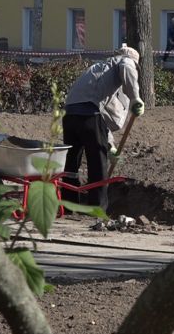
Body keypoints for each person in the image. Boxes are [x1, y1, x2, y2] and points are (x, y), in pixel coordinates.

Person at [62, 44, 145, 210]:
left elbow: (103, 117)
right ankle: (96, 208)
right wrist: (135, 98)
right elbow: (127, 66)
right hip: (89, 115)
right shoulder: (125, 62)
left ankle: (69, 204)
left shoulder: (100, 69)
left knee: (71, 163)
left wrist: (109, 145)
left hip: (69, 115)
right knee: (97, 163)